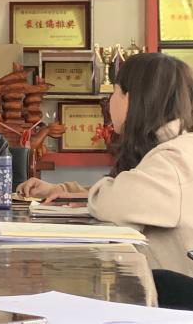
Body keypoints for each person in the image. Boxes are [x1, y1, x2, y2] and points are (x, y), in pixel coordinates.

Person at [17, 53, 193, 276]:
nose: (110, 102)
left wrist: (79, 194)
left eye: (114, 92)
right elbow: (132, 190)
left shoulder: (174, 159)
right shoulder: (174, 147)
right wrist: (62, 190)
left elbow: (114, 202)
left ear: (132, 98)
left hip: (175, 292)